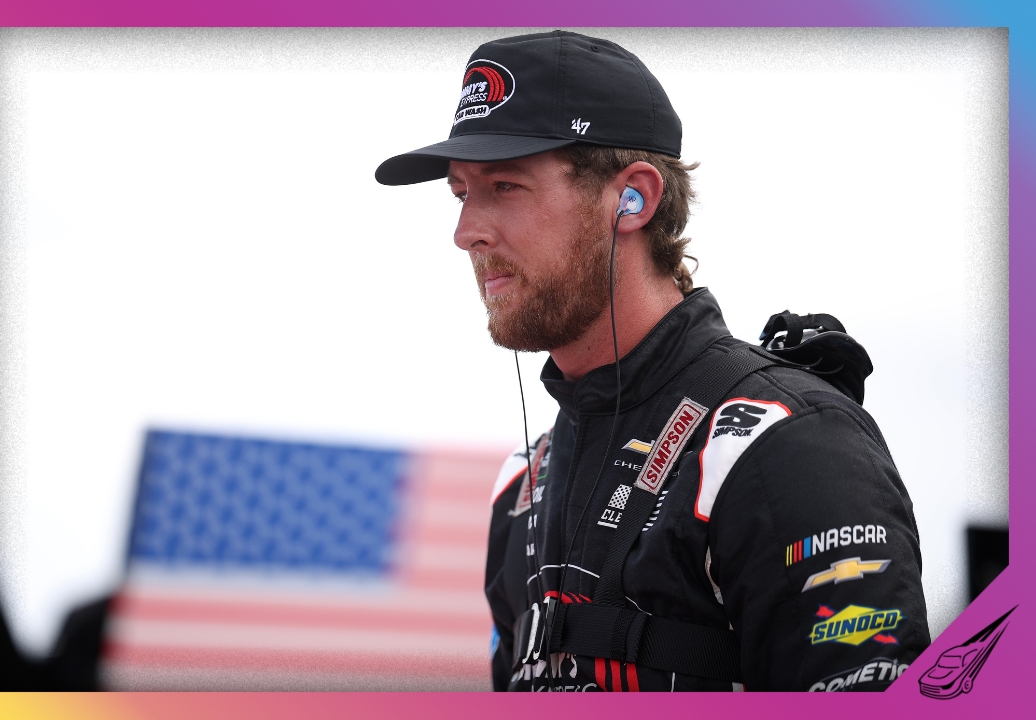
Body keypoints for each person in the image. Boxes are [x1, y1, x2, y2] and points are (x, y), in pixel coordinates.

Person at [376, 30, 929, 692]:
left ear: (633, 198)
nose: (466, 232)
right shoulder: (522, 486)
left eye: (505, 185)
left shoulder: (781, 443)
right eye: (461, 193)